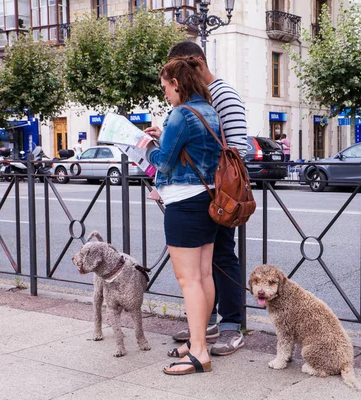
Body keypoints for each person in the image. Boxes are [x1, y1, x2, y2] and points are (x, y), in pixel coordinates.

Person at [161, 41, 248, 357]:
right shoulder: (198, 100)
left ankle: (231, 327)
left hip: (219, 193)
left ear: (196, 63)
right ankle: (206, 325)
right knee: (205, 265)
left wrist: (211, 174)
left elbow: (240, 147)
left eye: (181, 69)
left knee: (222, 257)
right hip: (204, 191)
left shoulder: (223, 94)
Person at [145, 57, 222, 375]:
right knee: (204, 276)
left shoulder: (180, 113)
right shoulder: (208, 110)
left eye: (165, 87)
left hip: (183, 203)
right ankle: (197, 341)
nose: (164, 93)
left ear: (177, 83)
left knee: (188, 280)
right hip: (208, 200)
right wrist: (165, 134)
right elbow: (192, 148)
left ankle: (199, 352)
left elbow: (162, 162)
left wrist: (147, 145)